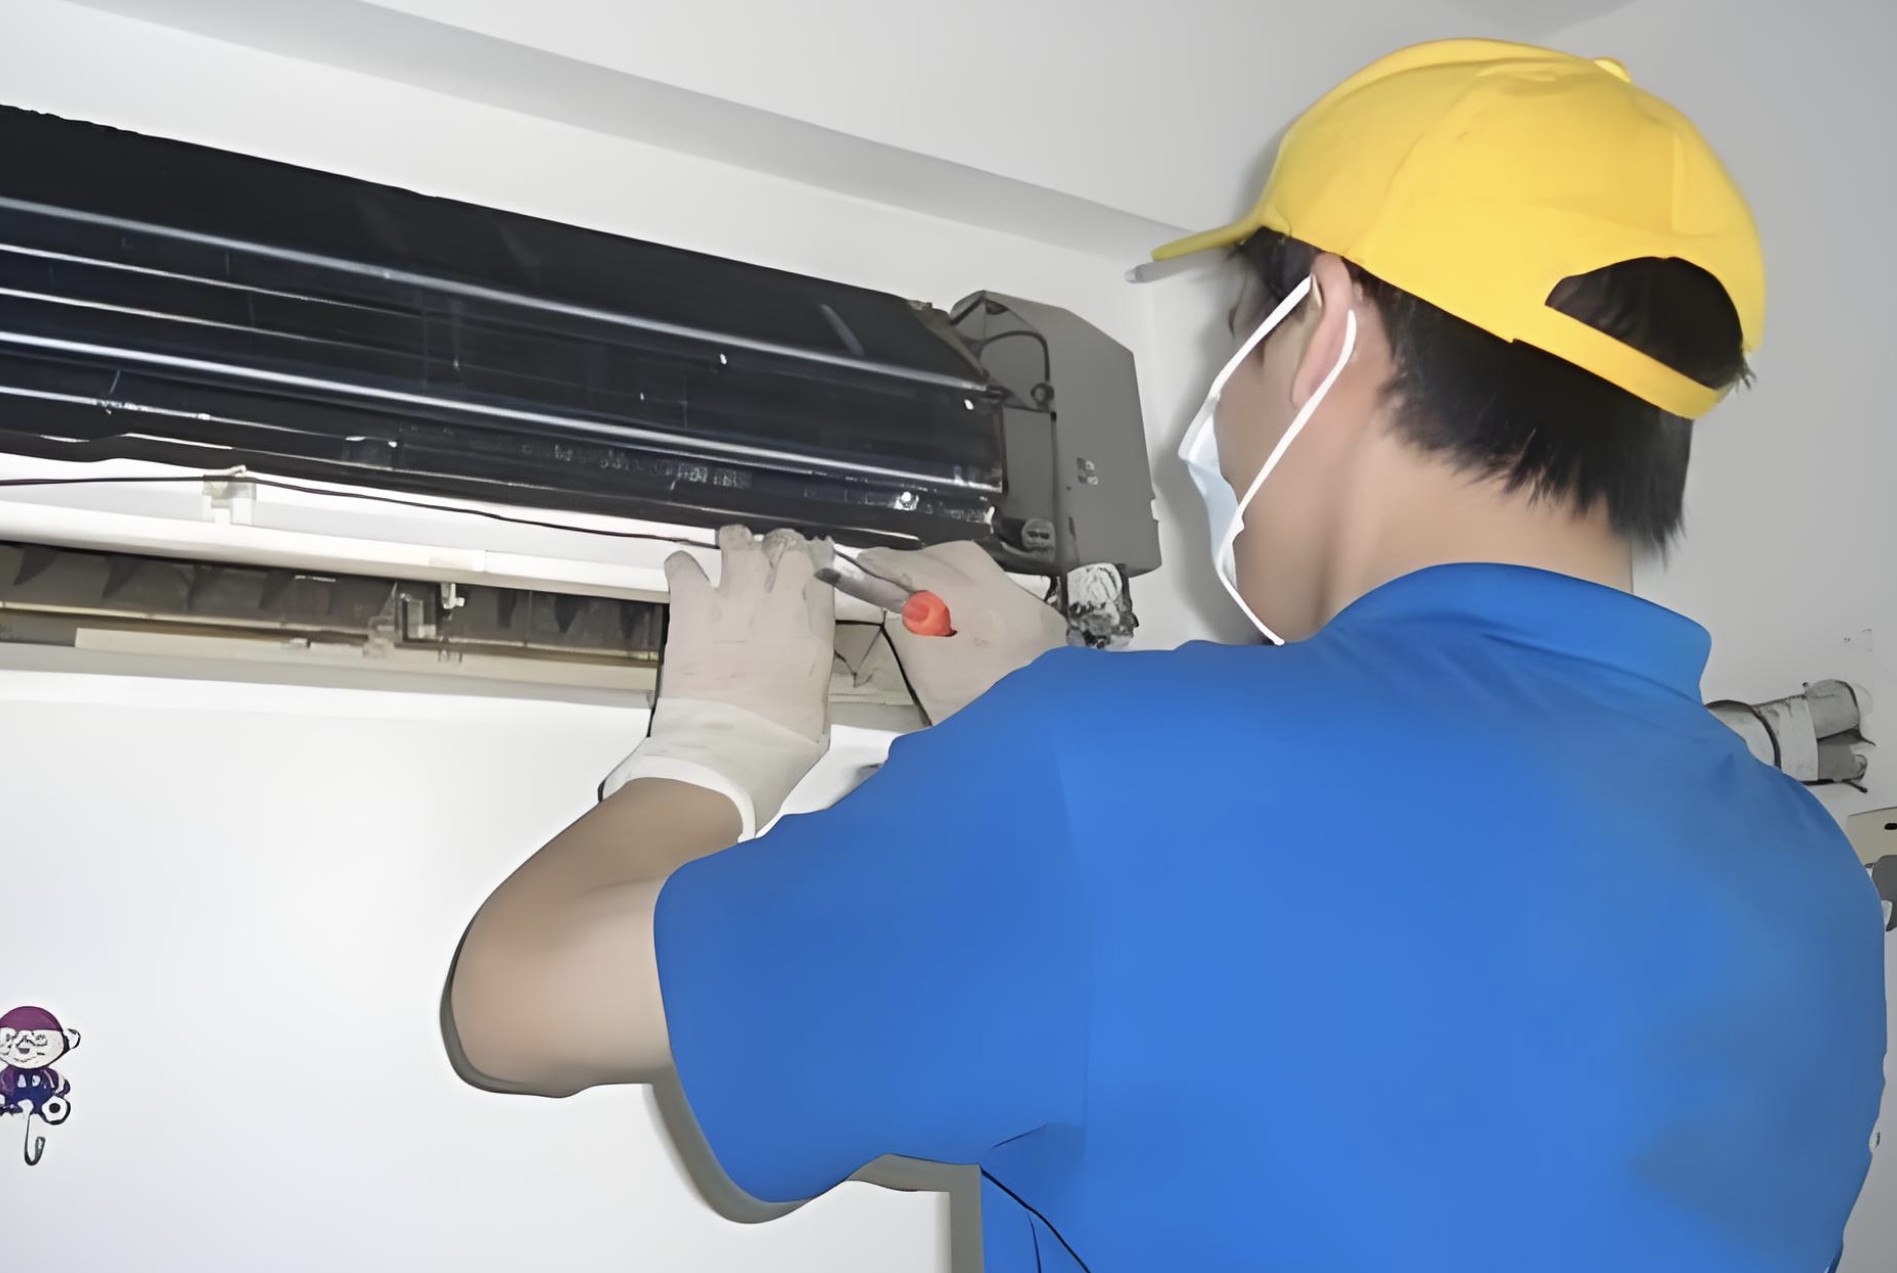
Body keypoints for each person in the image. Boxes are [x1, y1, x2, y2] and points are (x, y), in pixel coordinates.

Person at [444, 38, 1887, 1273]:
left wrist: (716, 746)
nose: (1222, 404)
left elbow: (513, 1003)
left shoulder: (1103, 777)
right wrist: (1040, 724)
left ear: (1325, 325)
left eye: (1240, 337)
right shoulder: (1810, 875)